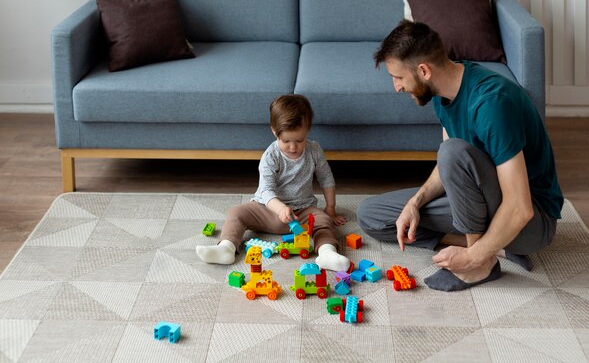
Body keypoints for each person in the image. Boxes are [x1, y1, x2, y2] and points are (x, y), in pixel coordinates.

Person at [357, 20, 563, 291]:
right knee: (372, 215)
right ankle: (496, 247)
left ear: (423, 71)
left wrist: (471, 258)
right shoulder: (444, 94)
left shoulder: (491, 103)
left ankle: (481, 264)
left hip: (532, 222)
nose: (397, 86)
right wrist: (415, 203)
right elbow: (448, 168)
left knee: (452, 150)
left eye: (398, 77)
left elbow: (520, 208)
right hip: (485, 201)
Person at [196, 94, 350, 272]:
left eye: (299, 140)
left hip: (302, 212)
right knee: (236, 212)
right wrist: (280, 208)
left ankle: (326, 253)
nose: (293, 147)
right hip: (267, 210)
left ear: (307, 130)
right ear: (274, 132)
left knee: (323, 220)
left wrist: (330, 208)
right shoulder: (271, 156)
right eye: (286, 141)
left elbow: (326, 178)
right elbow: (266, 191)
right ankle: (226, 248)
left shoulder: (314, 150)